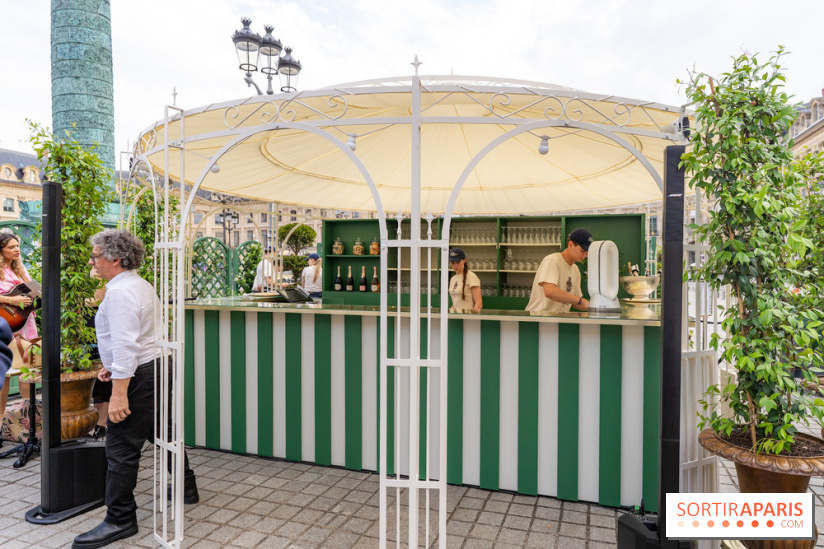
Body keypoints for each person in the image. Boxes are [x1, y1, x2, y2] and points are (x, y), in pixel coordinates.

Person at [73, 229, 199, 549]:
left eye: (96, 256)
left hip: (140, 373)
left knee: (120, 447)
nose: (93, 261)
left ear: (115, 259)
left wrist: (118, 392)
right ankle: (186, 487)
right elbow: (138, 337)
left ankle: (120, 519)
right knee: (161, 430)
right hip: (155, 367)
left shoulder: (119, 292)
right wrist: (112, 365)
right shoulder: (138, 285)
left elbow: (127, 345)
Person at [0, 233, 38, 424]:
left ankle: (28, 421)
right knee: (5, 373)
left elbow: (35, 292)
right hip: (6, 324)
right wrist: (11, 299)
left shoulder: (18, 268)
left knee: (27, 369)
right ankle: (0, 421)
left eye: (17, 246)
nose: (16, 250)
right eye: (11, 247)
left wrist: (23, 273)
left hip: (25, 323)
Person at [525, 228, 592, 314]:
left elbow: (575, 302)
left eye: (587, 252)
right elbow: (550, 291)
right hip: (538, 319)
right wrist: (581, 301)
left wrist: (594, 307)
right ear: (570, 244)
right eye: (582, 250)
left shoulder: (575, 270)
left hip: (557, 321)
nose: (585, 255)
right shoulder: (553, 260)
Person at [447, 248, 482, 313]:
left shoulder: (471, 276)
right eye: (452, 263)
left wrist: (471, 319)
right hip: (456, 317)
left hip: (467, 317)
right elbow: (456, 303)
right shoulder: (453, 279)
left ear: (464, 260)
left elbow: (479, 304)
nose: (455, 265)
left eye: (457, 262)